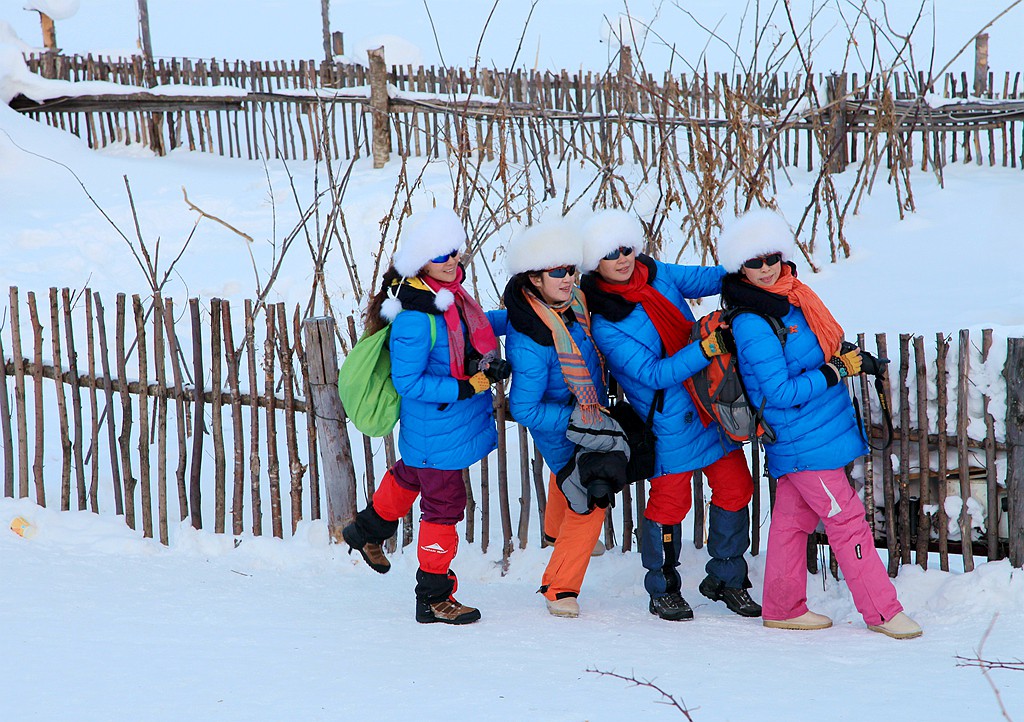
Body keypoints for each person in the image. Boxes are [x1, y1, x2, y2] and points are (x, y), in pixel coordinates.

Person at [717, 208, 922, 639]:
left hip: (818, 430)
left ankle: (783, 606)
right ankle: (883, 612)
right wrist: (837, 371)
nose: (766, 268)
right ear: (740, 268)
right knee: (847, 520)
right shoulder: (753, 321)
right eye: (754, 262)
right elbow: (779, 394)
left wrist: (849, 358)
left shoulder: (792, 299)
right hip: (800, 438)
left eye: (771, 256)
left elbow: (815, 348)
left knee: (793, 523)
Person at [580, 209, 761, 621]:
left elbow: (711, 277)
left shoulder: (656, 273)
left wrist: (756, 265)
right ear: (596, 263)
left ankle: (726, 578)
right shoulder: (606, 321)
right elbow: (651, 374)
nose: (624, 259)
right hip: (669, 420)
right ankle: (662, 588)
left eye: (627, 248)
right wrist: (705, 350)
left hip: (710, 404)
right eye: (612, 255)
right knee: (669, 505)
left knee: (737, 488)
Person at [342, 207, 508, 626]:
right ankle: (433, 597)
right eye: (441, 256)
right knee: (444, 504)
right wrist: (466, 386)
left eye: (455, 253)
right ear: (421, 265)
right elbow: (409, 382)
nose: (453, 262)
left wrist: (517, 318)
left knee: (411, 474)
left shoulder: (447, 301)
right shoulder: (415, 319)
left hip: (439, 427)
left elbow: (472, 328)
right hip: (437, 425)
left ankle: (365, 531)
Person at [503, 219, 617, 618]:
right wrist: (578, 415)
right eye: (558, 272)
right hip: (564, 427)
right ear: (534, 279)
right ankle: (559, 588)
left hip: (582, 420)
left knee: (568, 476)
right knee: (590, 497)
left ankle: (555, 532)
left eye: (572, 269)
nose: (569, 278)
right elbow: (525, 409)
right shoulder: (533, 339)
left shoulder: (570, 306)